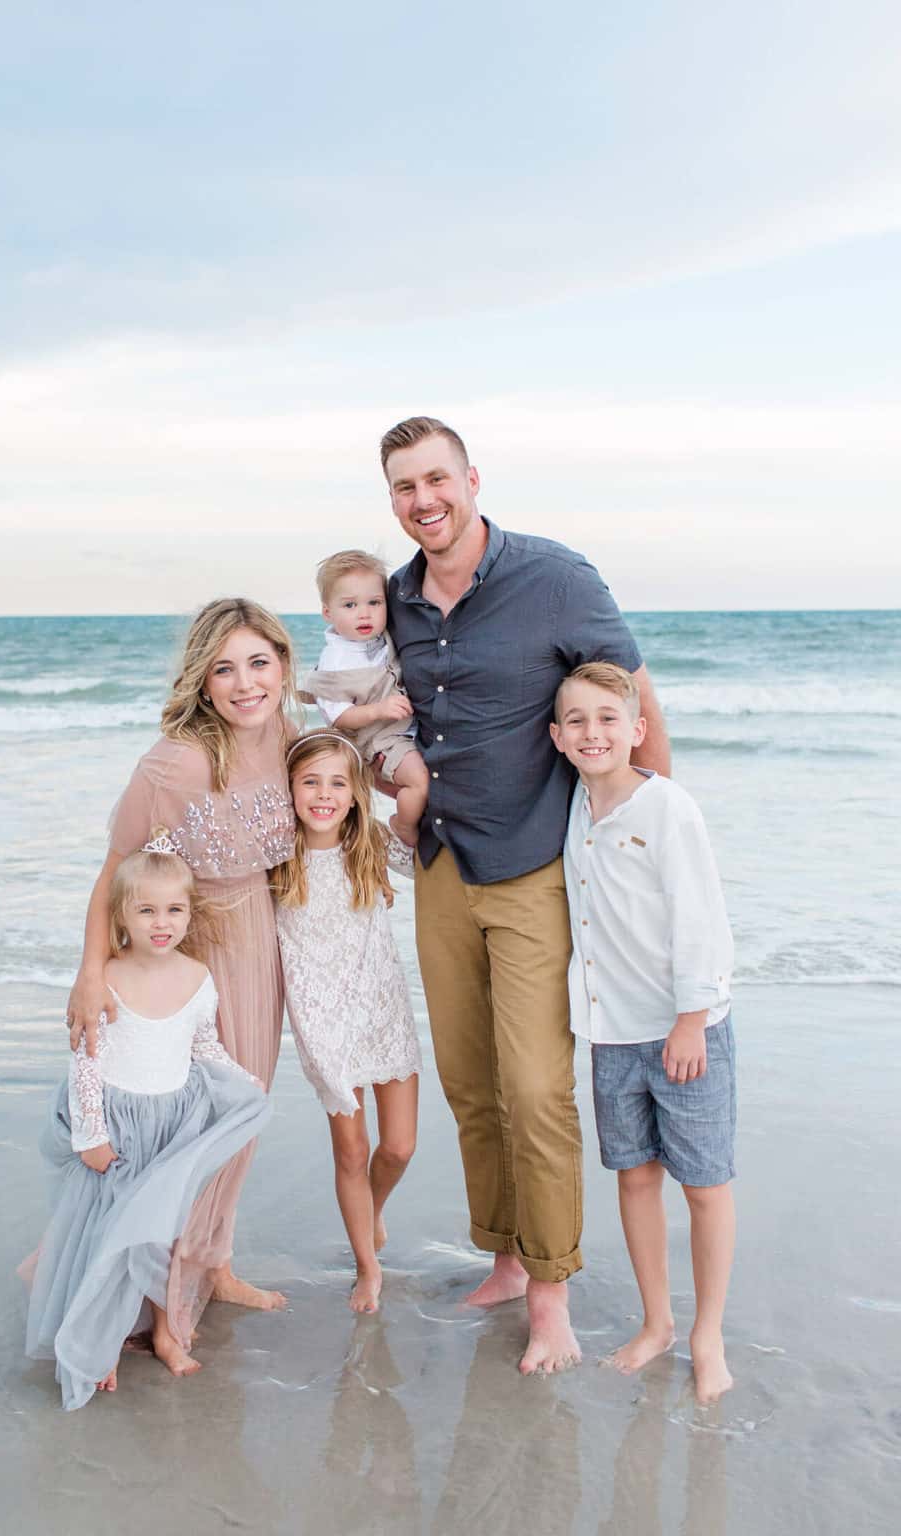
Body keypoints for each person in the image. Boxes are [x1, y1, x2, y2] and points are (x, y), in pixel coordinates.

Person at [382, 414, 670, 1375]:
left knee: (539, 1088)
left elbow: (634, 697)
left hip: (535, 868)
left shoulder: (555, 577)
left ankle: (551, 1296)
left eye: (436, 479)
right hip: (438, 866)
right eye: (403, 488)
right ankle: (503, 1257)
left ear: (471, 478)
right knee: (470, 1083)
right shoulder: (396, 598)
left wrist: (650, 834)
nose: (424, 501)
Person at [66, 598, 298, 1312]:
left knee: (241, 1114)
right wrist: (91, 974)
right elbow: (115, 873)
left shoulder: (288, 735)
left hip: (265, 947)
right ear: (202, 682)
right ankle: (144, 1284)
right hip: (195, 961)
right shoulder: (175, 765)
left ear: (284, 667)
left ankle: (211, 1262)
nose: (244, 683)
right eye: (223, 669)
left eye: (258, 663)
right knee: (191, 1125)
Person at [24, 835, 271, 1411]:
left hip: (174, 1126)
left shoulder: (196, 976)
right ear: (123, 917)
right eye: (147, 910)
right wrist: (93, 1133)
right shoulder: (106, 979)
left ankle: (164, 1331)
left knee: (165, 1238)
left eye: (175, 910)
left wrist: (243, 1079)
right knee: (110, 1239)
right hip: (120, 1127)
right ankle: (101, 1339)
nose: (162, 923)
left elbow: (203, 1044)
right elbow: (86, 1061)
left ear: (190, 912)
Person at [551, 662, 735, 1404]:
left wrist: (691, 1018)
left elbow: (700, 916)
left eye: (607, 718)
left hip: (683, 1027)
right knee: (634, 1176)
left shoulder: (666, 808)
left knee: (705, 1185)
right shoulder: (574, 805)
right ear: (557, 737)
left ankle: (707, 1333)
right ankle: (656, 1322)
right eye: (577, 720)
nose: (593, 732)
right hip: (611, 1029)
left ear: (637, 730)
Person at [272, 728, 420, 1314]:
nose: (324, 794)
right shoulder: (276, 860)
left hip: (381, 1006)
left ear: (358, 793)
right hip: (321, 1018)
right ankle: (367, 1265)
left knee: (400, 1147)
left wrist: (403, 783)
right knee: (352, 1152)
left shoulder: (374, 849)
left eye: (338, 782)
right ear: (289, 788)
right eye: (310, 781)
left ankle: (372, 1210)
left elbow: (430, 840)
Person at [298, 550, 429, 846]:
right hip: (376, 740)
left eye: (374, 602)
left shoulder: (380, 638)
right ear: (328, 613)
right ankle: (403, 825)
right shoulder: (335, 661)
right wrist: (378, 710)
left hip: (404, 729)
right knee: (420, 781)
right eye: (350, 605)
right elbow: (340, 717)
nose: (364, 613)